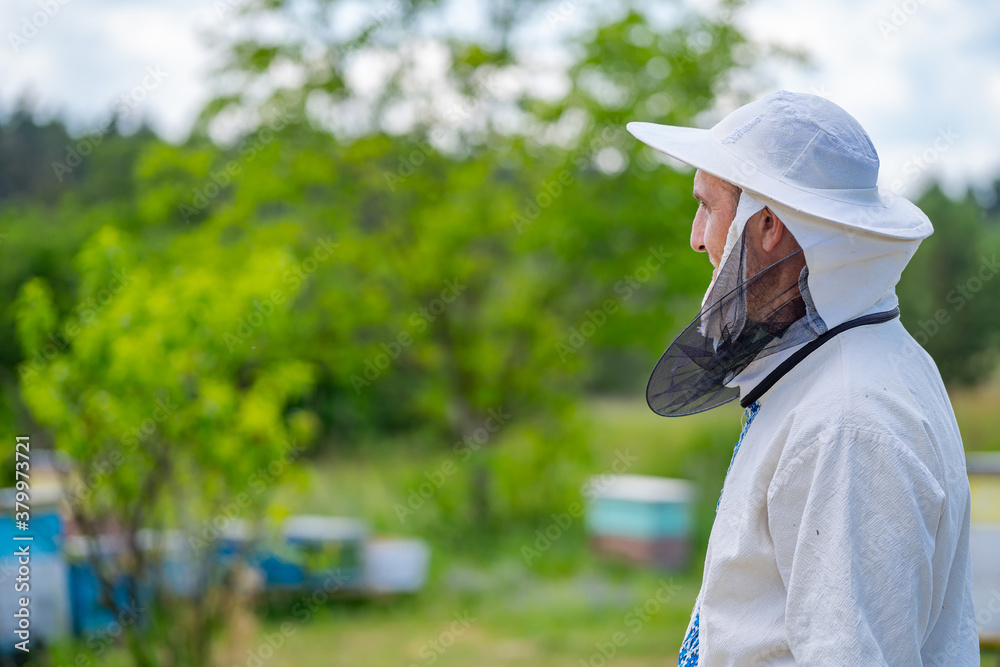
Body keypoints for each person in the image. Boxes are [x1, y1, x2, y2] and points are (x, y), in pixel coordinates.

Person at [626, 91, 979, 665]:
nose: (696, 237)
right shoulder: (850, 372)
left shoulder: (847, 421)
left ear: (765, 225)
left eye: (708, 208)